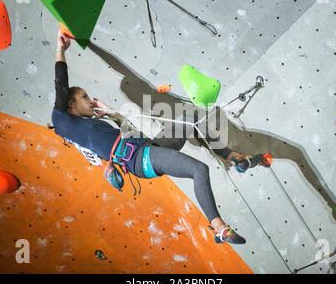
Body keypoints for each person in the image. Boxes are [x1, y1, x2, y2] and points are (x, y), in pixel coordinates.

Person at [51, 29, 249, 244]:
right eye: (84, 97)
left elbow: (134, 134)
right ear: (70, 104)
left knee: (190, 117)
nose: (90, 101)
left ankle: (232, 157)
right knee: (199, 169)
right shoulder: (63, 121)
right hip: (141, 160)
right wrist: (60, 50)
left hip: (149, 147)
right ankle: (219, 228)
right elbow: (61, 83)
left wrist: (111, 113)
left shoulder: (90, 126)